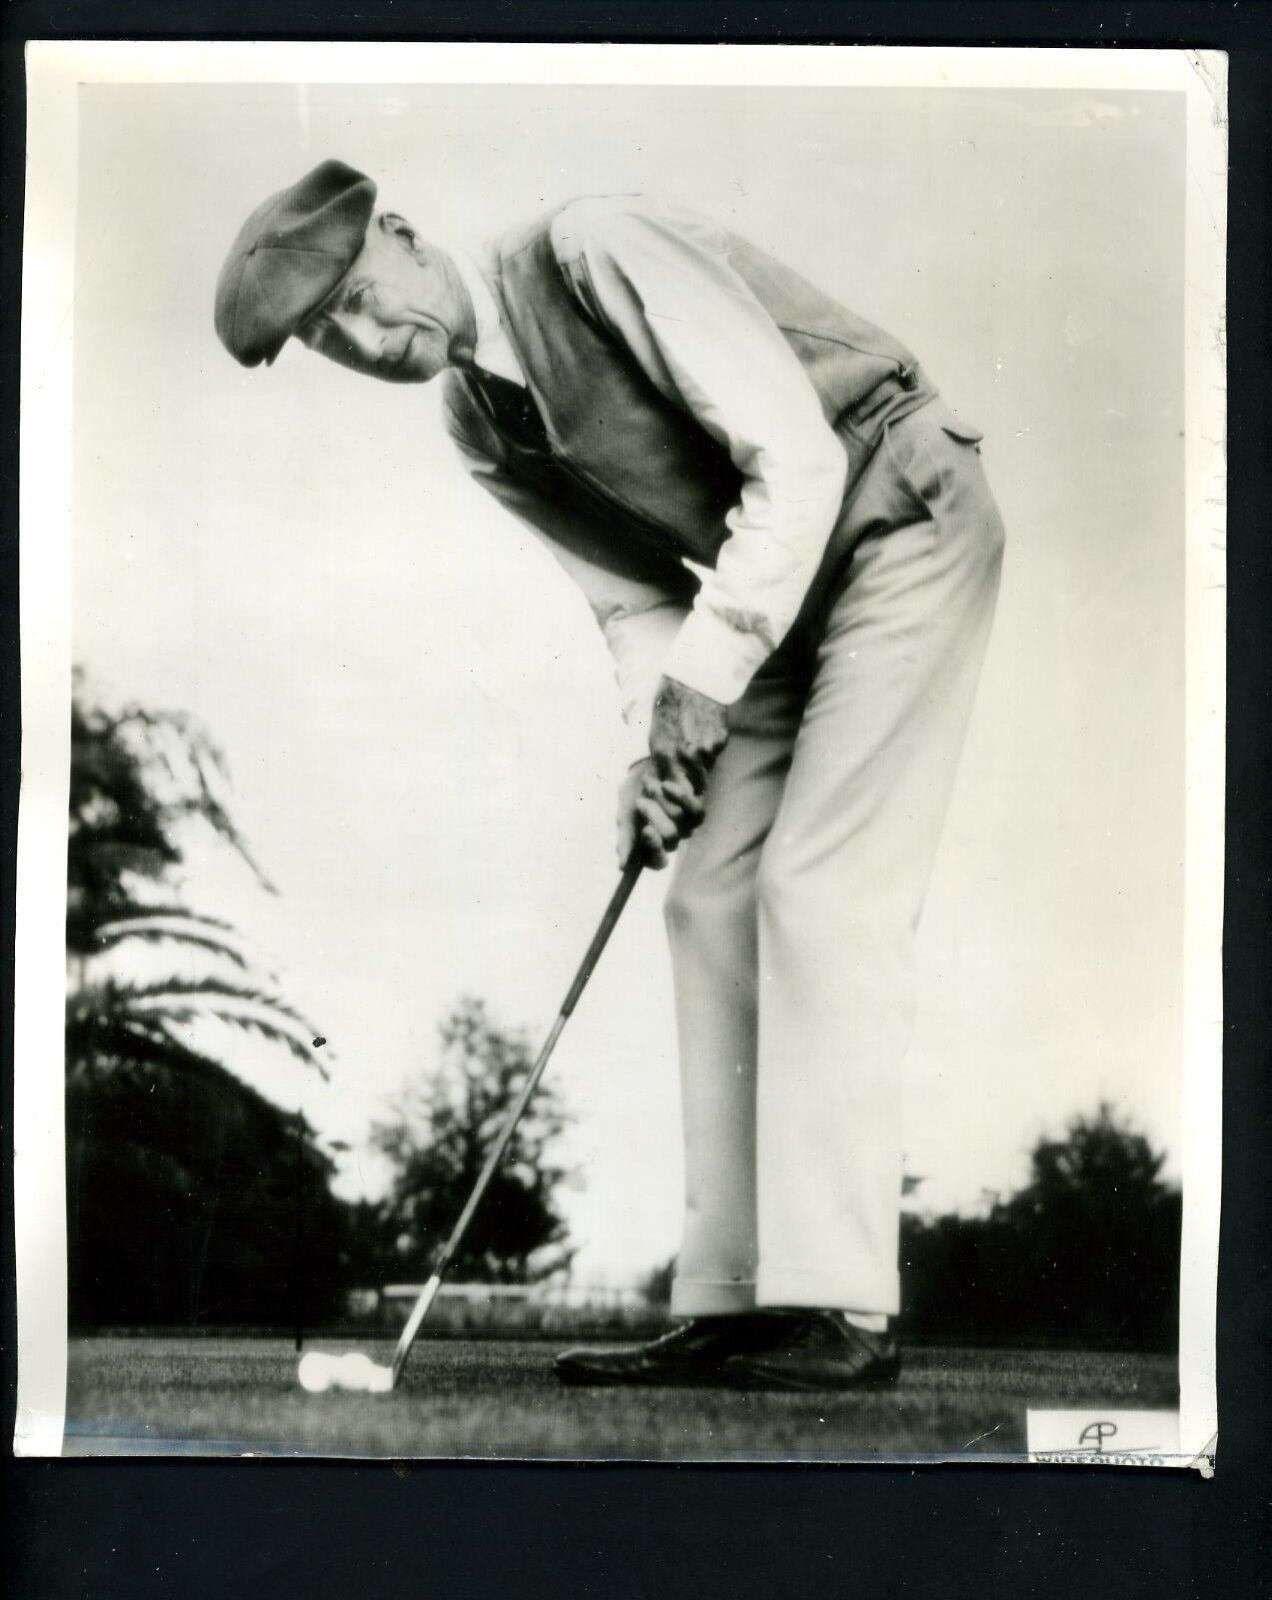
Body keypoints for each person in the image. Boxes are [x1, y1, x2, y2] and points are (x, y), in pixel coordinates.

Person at [216, 160, 1004, 1391]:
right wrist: (653, 750)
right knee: (703, 901)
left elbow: (792, 462)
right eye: (327, 337)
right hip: (772, 608)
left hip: (895, 511)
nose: (364, 340)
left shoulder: (591, 248)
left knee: (817, 890)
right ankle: (736, 1303)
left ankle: (841, 1305)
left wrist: (703, 689)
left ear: (408, 239)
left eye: (359, 299)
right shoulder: (476, 423)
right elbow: (637, 598)